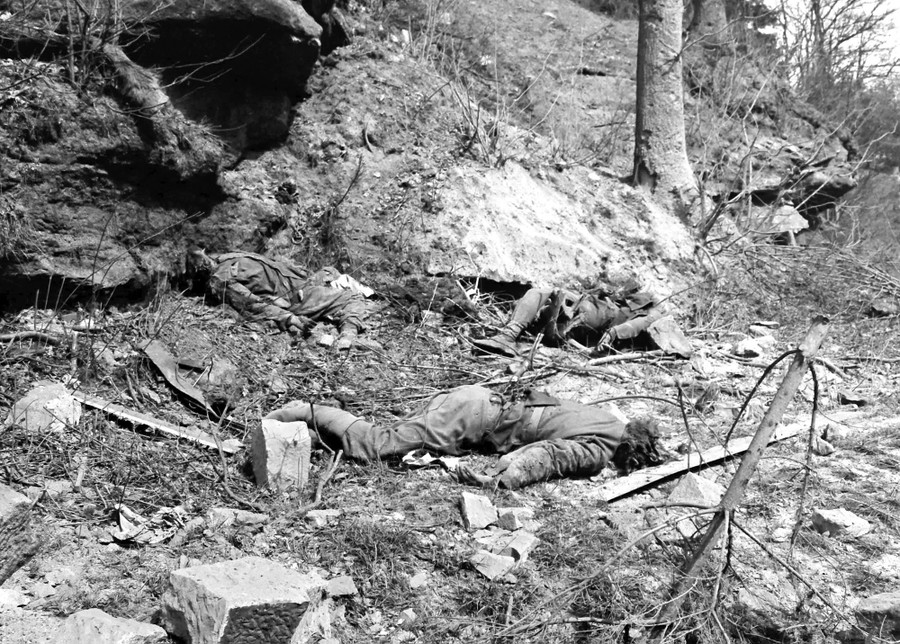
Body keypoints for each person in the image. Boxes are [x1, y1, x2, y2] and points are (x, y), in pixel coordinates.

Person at [265, 385, 665, 489]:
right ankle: (305, 409)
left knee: (393, 440)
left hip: (479, 401)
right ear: (629, 453)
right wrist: (505, 478)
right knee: (376, 444)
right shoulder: (601, 447)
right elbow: (550, 455)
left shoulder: (606, 418)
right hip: (473, 417)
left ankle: (311, 434)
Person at [187, 249, 374, 350]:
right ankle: (348, 334)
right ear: (200, 269)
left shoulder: (226, 258)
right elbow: (252, 304)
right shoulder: (221, 280)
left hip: (299, 282)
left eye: (204, 256)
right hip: (295, 297)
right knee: (353, 296)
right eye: (202, 261)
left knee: (330, 271)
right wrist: (290, 318)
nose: (206, 259)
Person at [472, 283, 687, 358]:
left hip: (595, 318)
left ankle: (509, 334)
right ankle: (510, 333)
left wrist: (615, 333)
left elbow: (637, 325)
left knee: (545, 294)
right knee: (541, 293)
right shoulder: (627, 298)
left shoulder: (657, 310)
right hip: (587, 307)